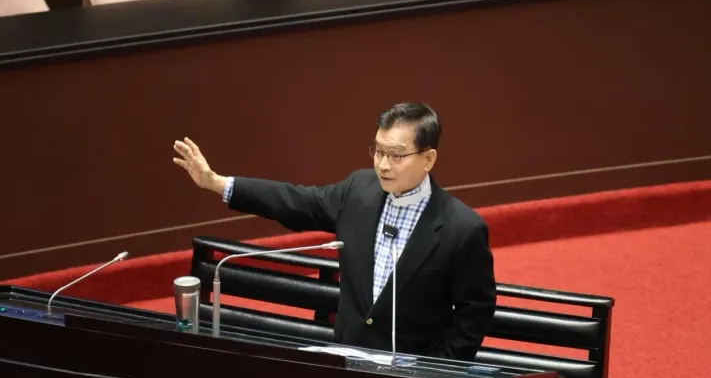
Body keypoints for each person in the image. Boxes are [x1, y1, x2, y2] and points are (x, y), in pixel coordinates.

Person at [173, 102, 496, 361]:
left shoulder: (461, 228)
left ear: (428, 159)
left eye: (396, 155)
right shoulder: (358, 191)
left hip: (415, 375)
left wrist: (440, 369)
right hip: (347, 361)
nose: (383, 165)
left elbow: (475, 312)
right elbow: (295, 201)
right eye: (379, 152)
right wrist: (216, 183)